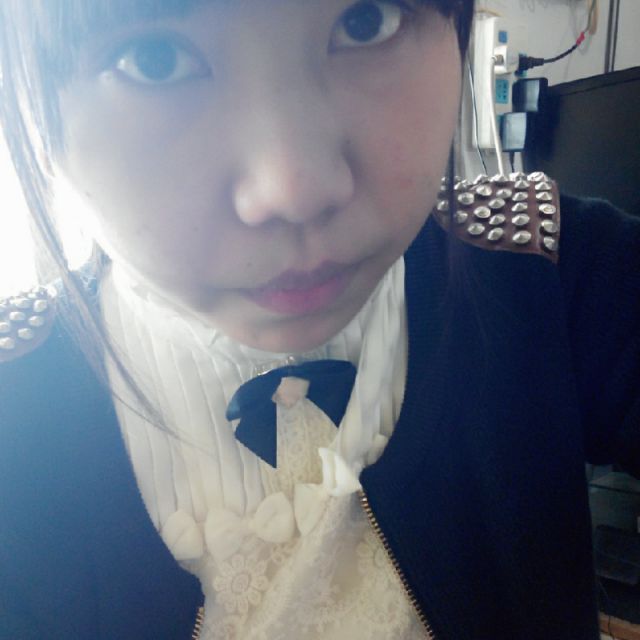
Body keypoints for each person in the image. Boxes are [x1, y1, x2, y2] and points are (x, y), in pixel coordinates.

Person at [0, 1, 638, 638]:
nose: (295, 190)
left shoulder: (542, 260)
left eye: (366, 21)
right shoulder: (16, 413)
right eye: (155, 59)